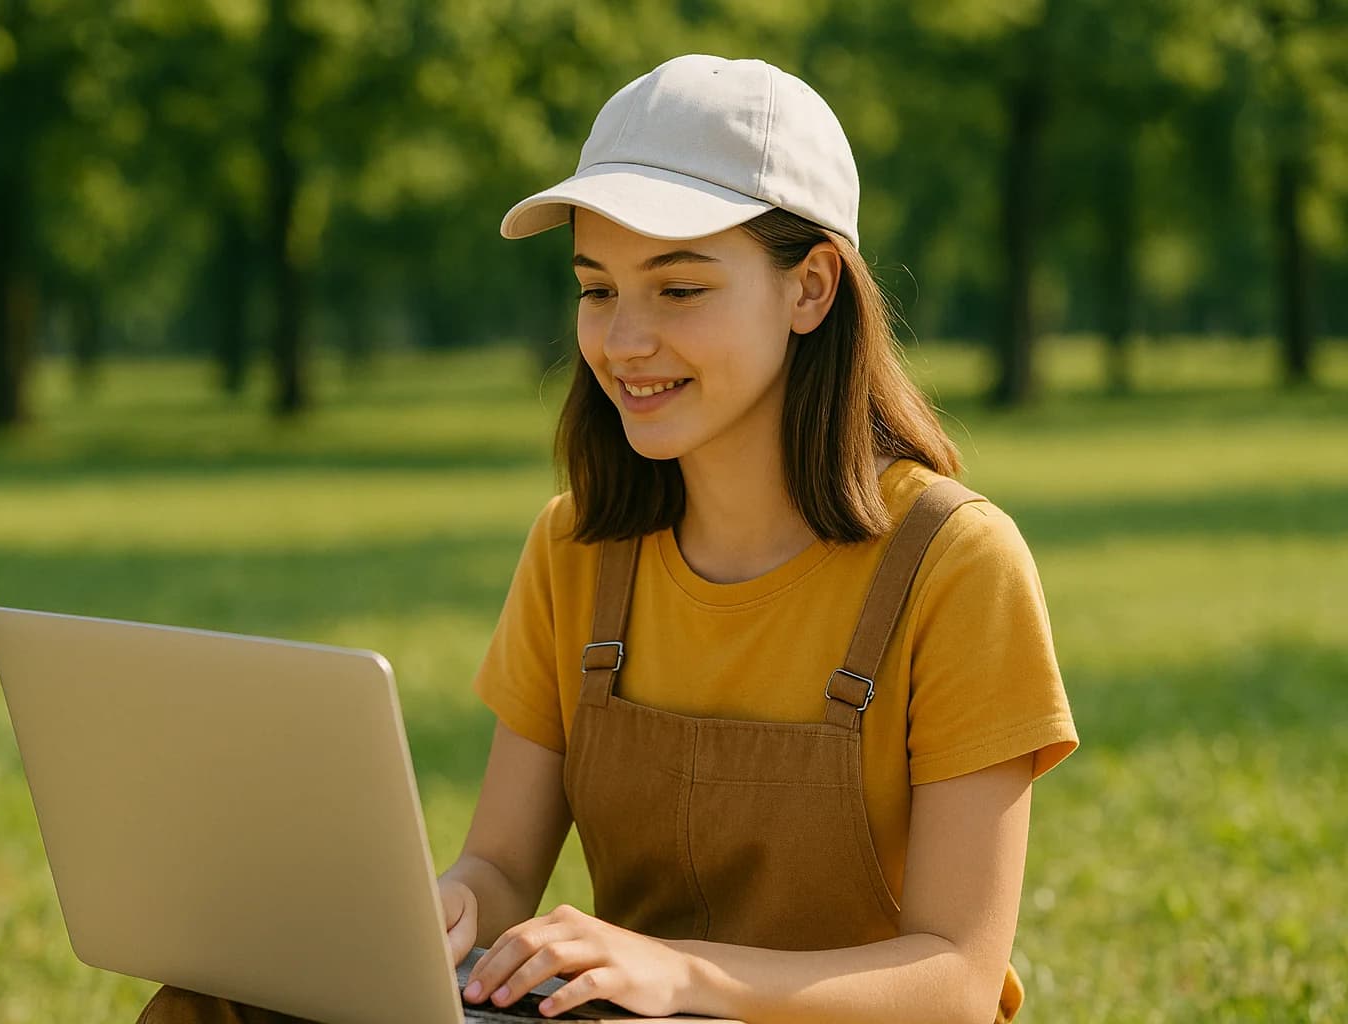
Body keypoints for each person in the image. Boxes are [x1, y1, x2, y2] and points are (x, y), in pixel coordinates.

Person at [138, 53, 1077, 1024]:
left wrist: (682, 975)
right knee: (215, 1003)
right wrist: (447, 910)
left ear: (812, 289)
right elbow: (501, 864)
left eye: (678, 291)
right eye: (597, 289)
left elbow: (957, 979)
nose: (624, 341)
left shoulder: (955, 563)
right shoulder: (577, 548)